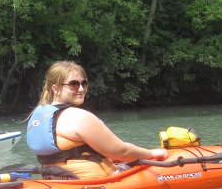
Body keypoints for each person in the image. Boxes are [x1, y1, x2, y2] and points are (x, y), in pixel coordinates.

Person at [26, 61, 167, 179]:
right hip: (94, 181)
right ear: (55, 89)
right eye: (74, 84)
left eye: (84, 83)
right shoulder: (77, 117)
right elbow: (122, 152)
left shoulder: (37, 116)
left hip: (56, 179)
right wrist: (152, 154)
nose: (81, 88)